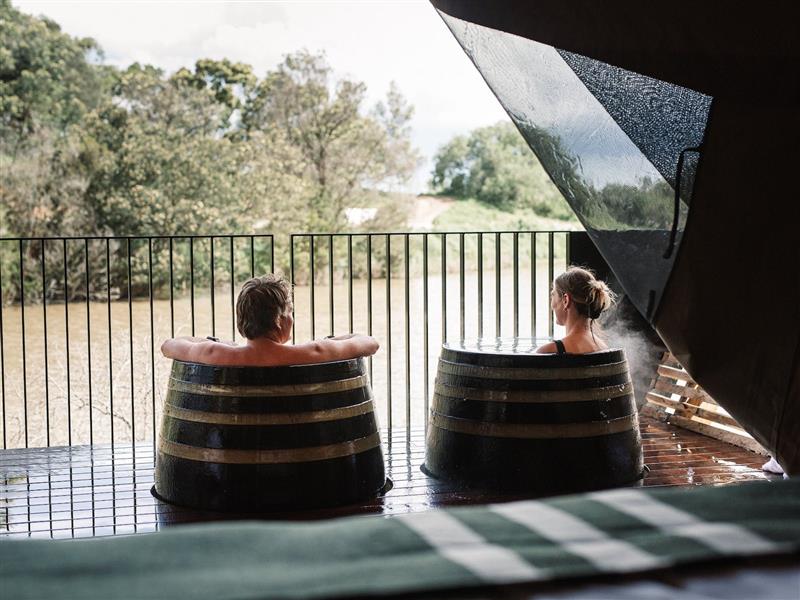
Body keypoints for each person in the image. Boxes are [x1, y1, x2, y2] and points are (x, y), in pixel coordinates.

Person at [160, 274, 379, 366]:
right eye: (290, 313)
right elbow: (370, 343)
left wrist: (220, 343)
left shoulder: (215, 353)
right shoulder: (314, 352)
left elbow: (168, 345)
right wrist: (331, 340)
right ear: (279, 320)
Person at [536, 266, 615, 354]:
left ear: (566, 300)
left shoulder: (549, 351)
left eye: (553, 295)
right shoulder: (603, 347)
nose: (552, 305)